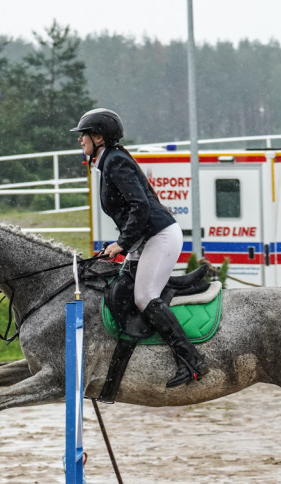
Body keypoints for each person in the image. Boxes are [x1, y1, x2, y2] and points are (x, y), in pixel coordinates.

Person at [71, 107, 208, 387]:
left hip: (159, 236)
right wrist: (127, 245)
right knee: (123, 287)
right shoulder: (108, 159)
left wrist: (121, 244)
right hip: (147, 238)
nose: (79, 140)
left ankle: (192, 361)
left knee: (144, 296)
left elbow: (140, 205)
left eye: (82, 135)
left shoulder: (115, 161)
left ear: (97, 136)